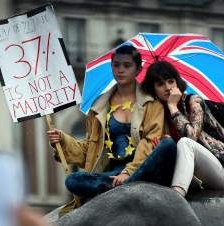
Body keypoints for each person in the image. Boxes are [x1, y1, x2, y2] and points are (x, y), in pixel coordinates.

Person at [47, 45, 176, 206]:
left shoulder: (152, 104)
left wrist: (128, 172)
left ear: (138, 70)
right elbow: (90, 150)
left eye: (127, 65)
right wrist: (63, 140)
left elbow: (150, 143)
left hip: (142, 170)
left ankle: (126, 183)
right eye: (116, 65)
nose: (120, 70)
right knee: (73, 180)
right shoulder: (98, 107)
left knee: (168, 145)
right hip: (111, 175)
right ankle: (116, 186)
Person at [141, 61, 224, 196]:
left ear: (177, 82)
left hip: (219, 172)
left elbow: (191, 137)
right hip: (193, 178)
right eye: (160, 84)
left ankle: (176, 195)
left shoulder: (194, 102)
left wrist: (173, 106)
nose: (167, 87)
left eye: (170, 81)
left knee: (185, 143)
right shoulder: (157, 114)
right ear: (153, 90)